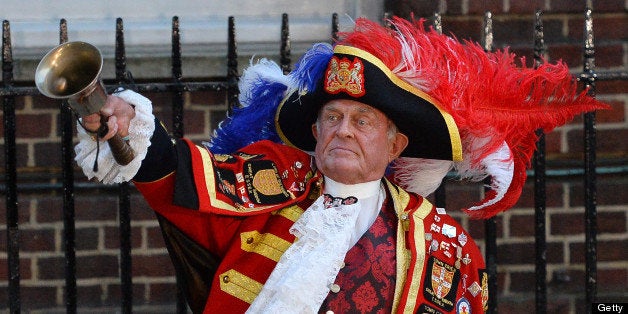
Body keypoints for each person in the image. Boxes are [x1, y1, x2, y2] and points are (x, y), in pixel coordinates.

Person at [74, 17, 607, 314]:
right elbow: (178, 178)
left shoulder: (446, 248)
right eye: (333, 115)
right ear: (314, 130)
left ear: (398, 145)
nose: (343, 129)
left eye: (363, 120)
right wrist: (125, 122)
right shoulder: (274, 176)